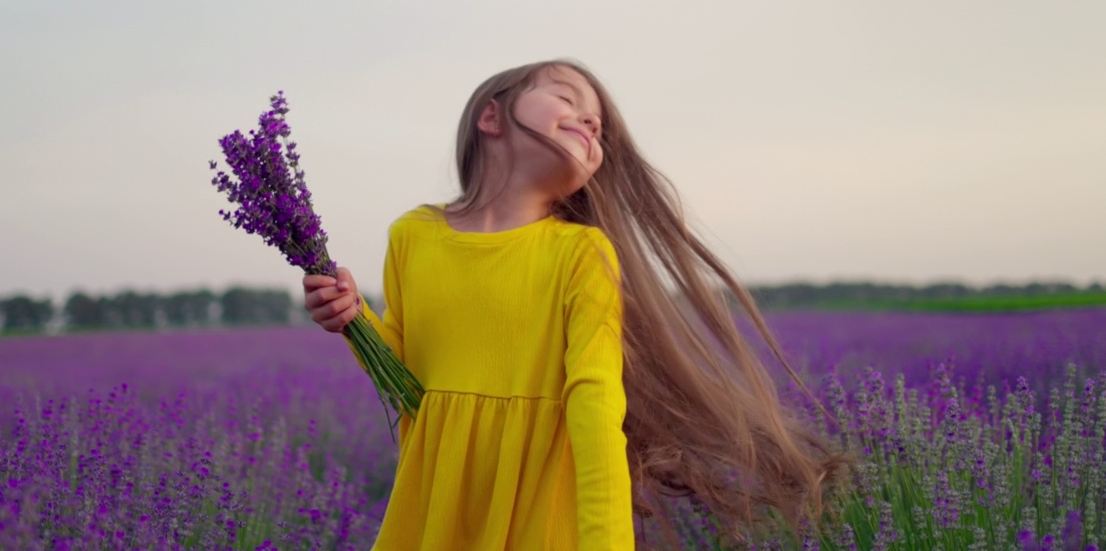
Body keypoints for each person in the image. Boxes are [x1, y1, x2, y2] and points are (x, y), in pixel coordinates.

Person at [303, 59, 846, 550]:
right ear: (492, 119)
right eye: (567, 99)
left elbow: (595, 401)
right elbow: (406, 376)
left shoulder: (582, 252)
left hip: (540, 509)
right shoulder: (413, 235)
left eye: (598, 126)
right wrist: (354, 322)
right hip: (437, 504)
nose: (589, 122)